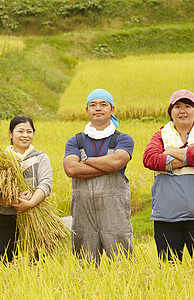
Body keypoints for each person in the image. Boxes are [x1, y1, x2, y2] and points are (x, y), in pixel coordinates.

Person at [143, 89, 194, 262]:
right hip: (166, 216)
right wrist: (189, 157)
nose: (182, 110)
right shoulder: (160, 136)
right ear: (171, 112)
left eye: (187, 106)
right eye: (177, 106)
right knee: (169, 271)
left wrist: (170, 153)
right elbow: (150, 159)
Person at [63, 88, 134, 264]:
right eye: (93, 105)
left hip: (114, 211)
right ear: (87, 110)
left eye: (103, 104)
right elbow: (71, 169)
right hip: (83, 212)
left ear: (112, 109)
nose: (98, 108)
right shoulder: (75, 141)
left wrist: (85, 160)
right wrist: (107, 166)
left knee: (121, 261)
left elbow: (117, 162)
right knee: (84, 263)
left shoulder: (123, 139)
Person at [0, 115, 53, 264]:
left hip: (36, 216)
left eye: (29, 131)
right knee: (7, 262)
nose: (25, 135)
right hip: (7, 217)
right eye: (20, 131)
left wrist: (30, 202)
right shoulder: (0, 159)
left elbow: (45, 184)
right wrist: (13, 201)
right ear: (10, 133)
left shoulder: (41, 158)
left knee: (37, 263)